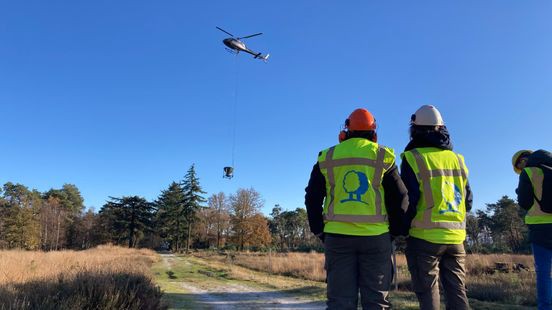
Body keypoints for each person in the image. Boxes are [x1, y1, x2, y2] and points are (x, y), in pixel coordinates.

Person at [305, 108, 408, 309]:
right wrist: (395, 232)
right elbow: (401, 197)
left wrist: (319, 229)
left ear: (345, 131)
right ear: (374, 134)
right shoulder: (383, 157)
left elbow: (312, 197)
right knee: (376, 302)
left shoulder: (327, 157)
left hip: (337, 238)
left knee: (340, 302)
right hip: (377, 239)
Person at [400, 105, 472, 310]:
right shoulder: (458, 159)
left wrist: (402, 230)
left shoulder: (412, 158)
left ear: (414, 129)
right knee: (458, 292)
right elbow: (468, 200)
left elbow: (408, 201)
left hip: (424, 238)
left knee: (428, 292)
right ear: (442, 128)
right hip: (456, 238)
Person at [512, 149, 552, 310]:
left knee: (544, 273)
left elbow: (524, 202)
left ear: (521, 162)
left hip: (540, 228)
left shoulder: (528, 172)